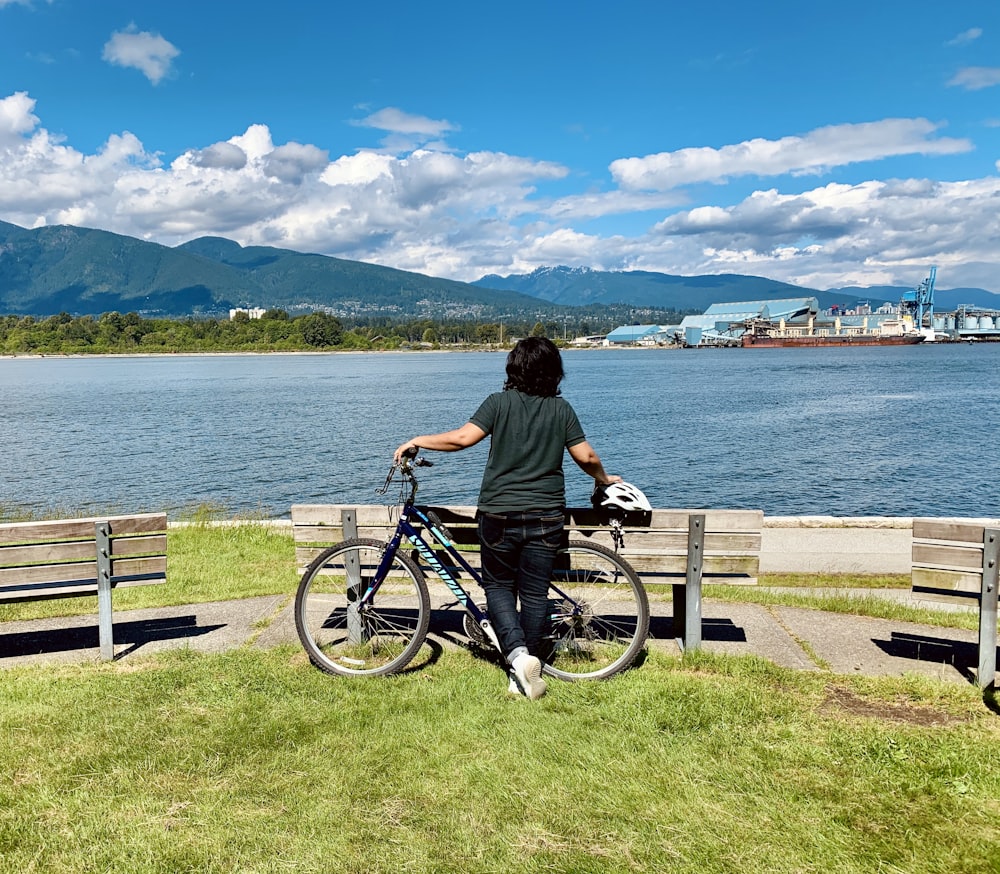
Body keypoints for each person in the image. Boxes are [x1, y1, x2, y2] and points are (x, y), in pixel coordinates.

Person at [393, 336, 620, 700]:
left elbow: (461, 439)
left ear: (513, 368)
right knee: (533, 594)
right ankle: (526, 669)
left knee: (498, 586)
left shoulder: (498, 404)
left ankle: (517, 657)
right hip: (546, 515)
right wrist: (604, 480)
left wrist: (418, 439)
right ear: (553, 372)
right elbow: (588, 458)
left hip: (499, 513)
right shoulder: (561, 411)